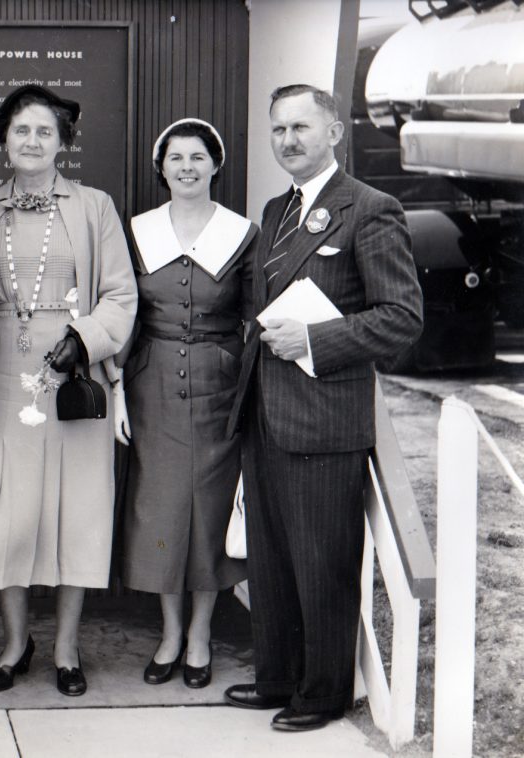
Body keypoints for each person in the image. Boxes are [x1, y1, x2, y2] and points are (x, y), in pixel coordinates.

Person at [224, 84, 423, 731]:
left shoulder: (370, 209)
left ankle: (323, 691)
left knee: (321, 562)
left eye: (301, 128)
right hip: (266, 412)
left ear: (334, 131)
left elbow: (401, 319)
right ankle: (278, 676)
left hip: (325, 418)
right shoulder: (278, 208)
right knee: (274, 559)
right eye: (278, 129)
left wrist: (315, 339)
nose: (288, 140)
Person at [0, 85, 137, 697]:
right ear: (3, 140)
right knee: (7, 516)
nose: (31, 141)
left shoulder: (95, 208)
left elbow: (121, 294)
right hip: (1, 386)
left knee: (77, 514)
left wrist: (85, 339)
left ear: (63, 141)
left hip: (74, 383)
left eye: (44, 131)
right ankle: (15, 644)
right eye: (20, 130)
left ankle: (66, 648)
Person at [114, 119, 254, 689]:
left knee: (211, 512)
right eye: (176, 158)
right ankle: (170, 632)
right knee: (162, 510)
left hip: (220, 390)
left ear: (216, 165)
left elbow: (255, 315)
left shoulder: (242, 233)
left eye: (198, 157)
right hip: (152, 388)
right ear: (162, 167)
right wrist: (117, 389)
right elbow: (122, 312)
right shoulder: (137, 231)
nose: (188, 167)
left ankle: (200, 635)